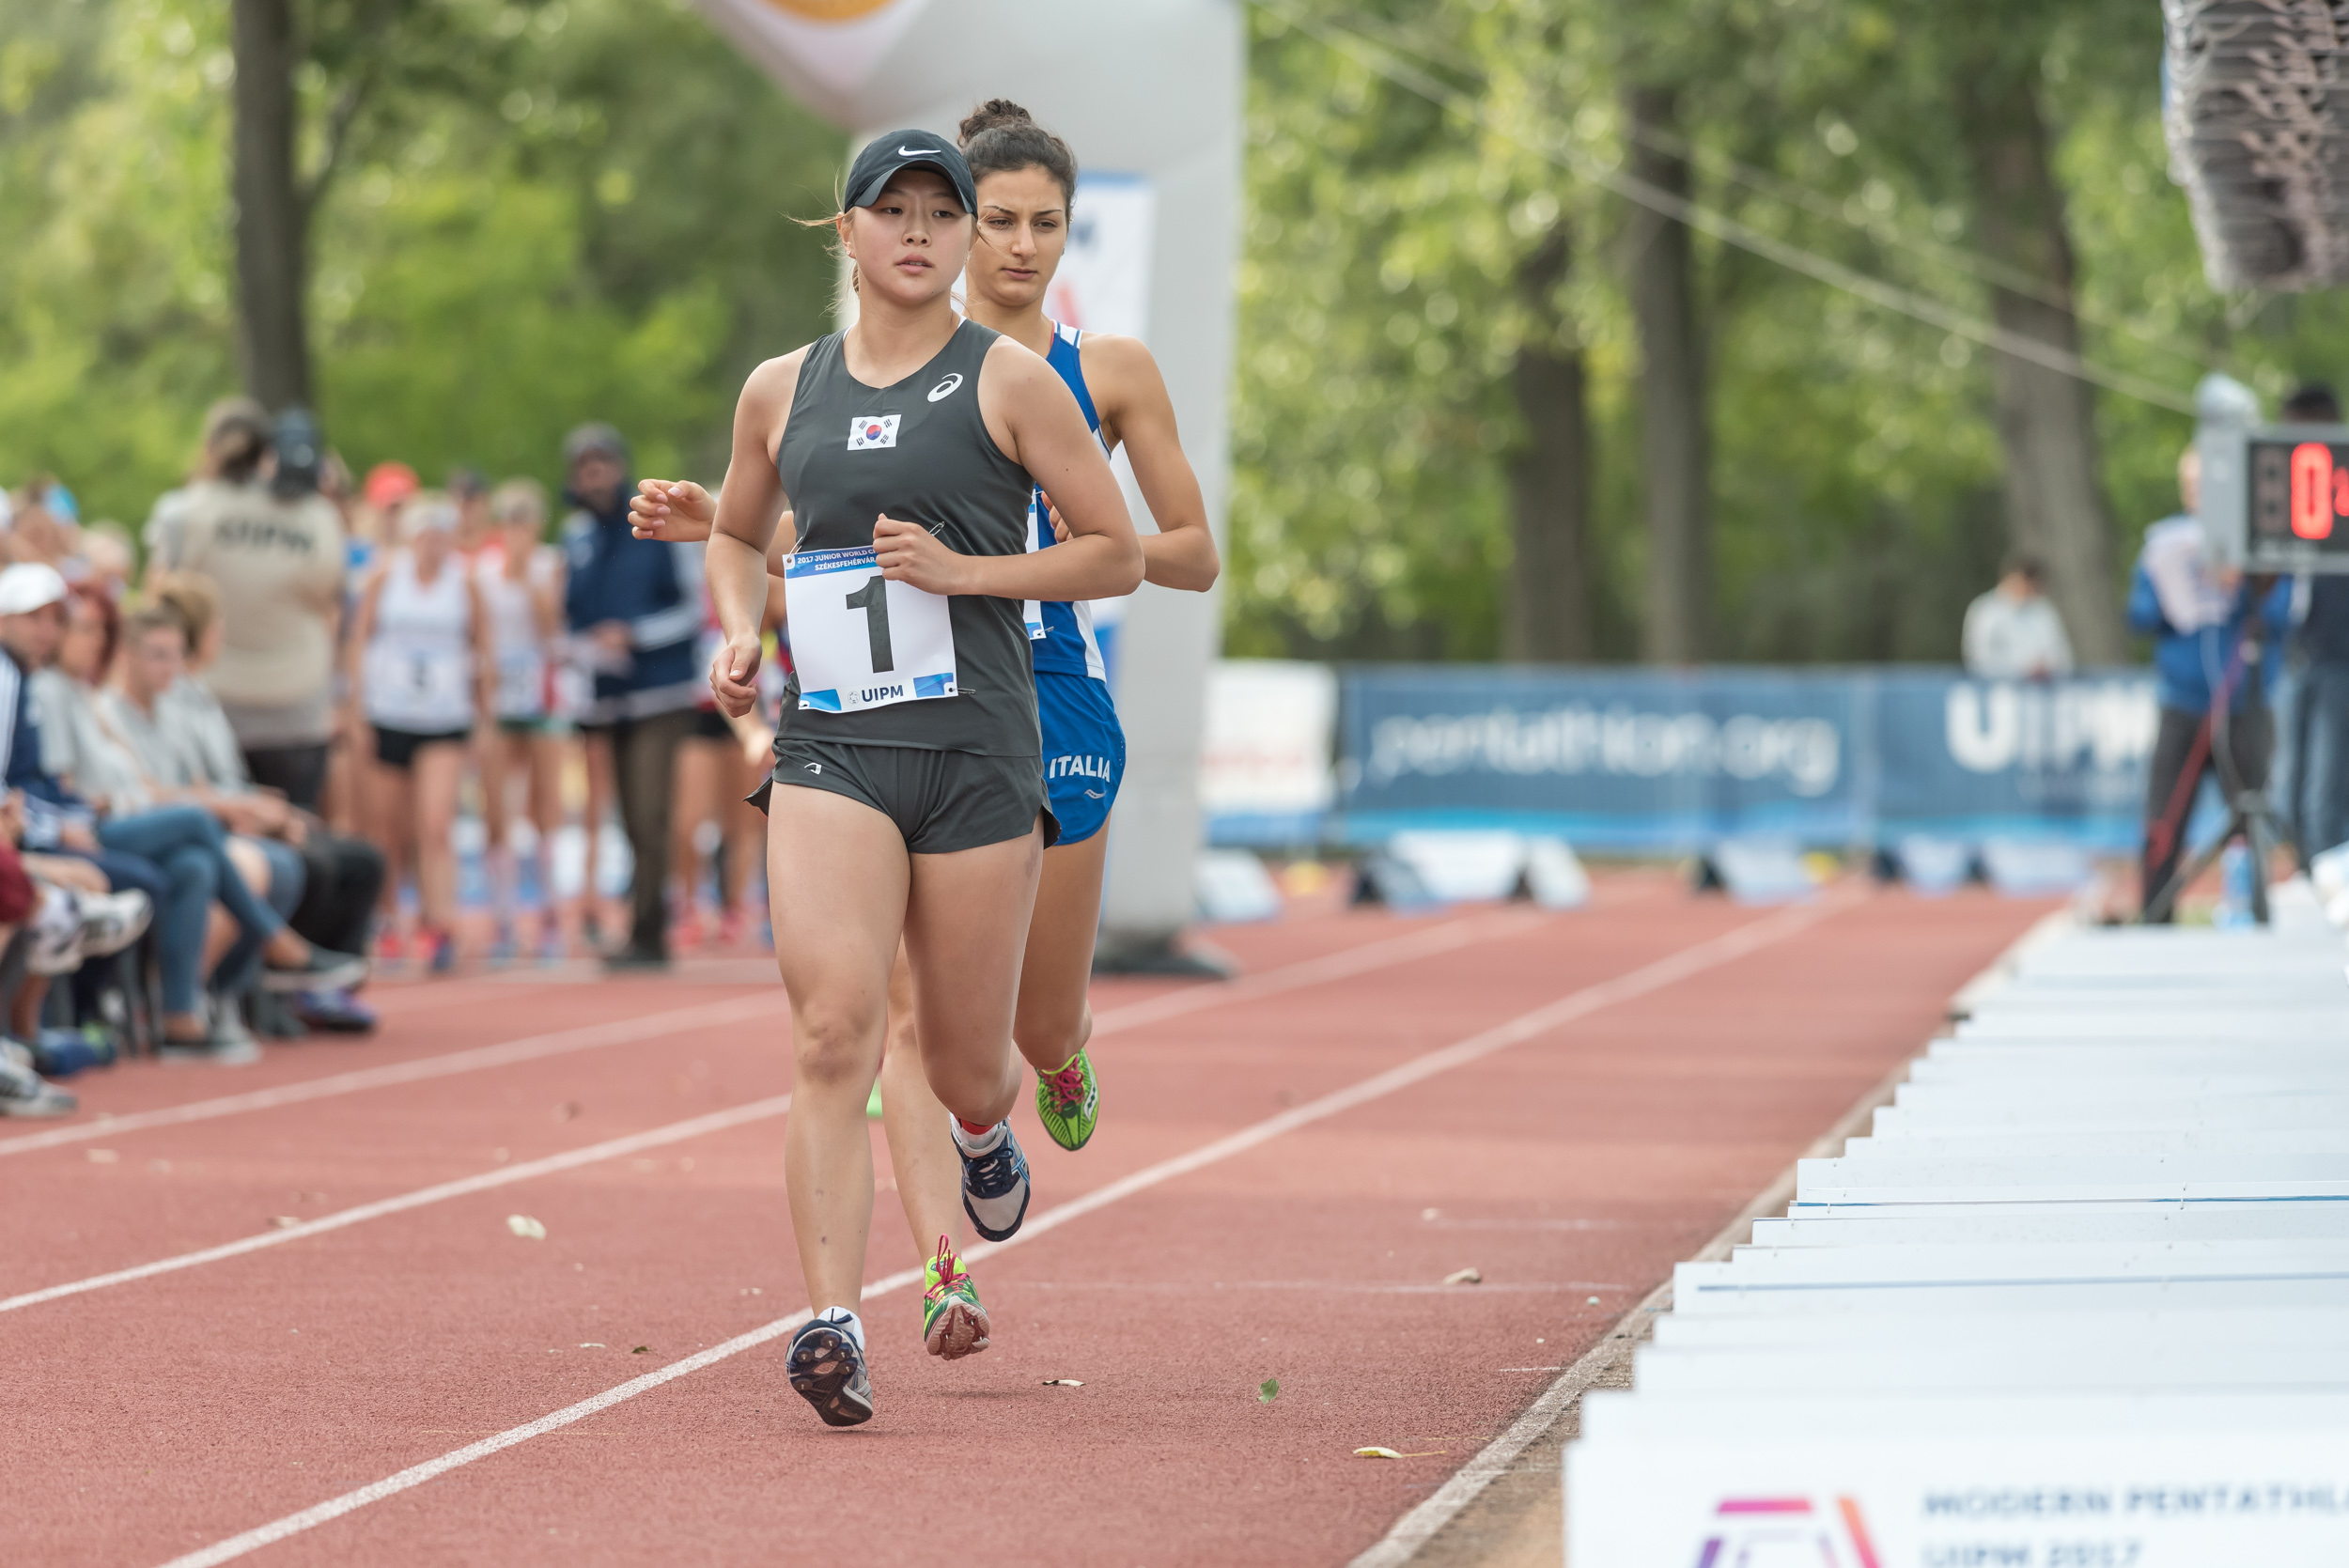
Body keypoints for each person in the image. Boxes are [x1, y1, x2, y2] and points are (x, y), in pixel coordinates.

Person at [640, 101, 1223, 1358]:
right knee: (851, 1023)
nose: (1008, 242)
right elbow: (826, 550)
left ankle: (1001, 1106)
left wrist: (976, 572)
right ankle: (874, 1301)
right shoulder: (789, 384)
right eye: (984, 215)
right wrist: (737, 601)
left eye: (1026, 222)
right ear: (846, 229)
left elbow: (1151, 551)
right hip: (842, 740)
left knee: (1004, 1039)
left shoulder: (1065, 372)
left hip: (1025, 705)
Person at [0, 566, 360, 1059]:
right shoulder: (40, 689)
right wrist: (70, 819)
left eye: (66, 622)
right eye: (71, 626)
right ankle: (273, 945)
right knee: (195, 826)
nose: (54, 633)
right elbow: (45, 786)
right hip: (80, 828)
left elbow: (79, 787)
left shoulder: (73, 693)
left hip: (91, 819)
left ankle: (181, 1015)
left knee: (196, 863)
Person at [143, 576, 384, 1032]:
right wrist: (252, 814)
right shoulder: (171, 700)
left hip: (226, 813)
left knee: (360, 859)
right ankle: (267, 981)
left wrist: (273, 810)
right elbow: (187, 785)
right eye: (218, 627)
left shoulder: (199, 693)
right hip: (214, 821)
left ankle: (318, 984)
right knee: (306, 865)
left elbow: (222, 778)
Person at [561, 424, 704, 970]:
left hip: (659, 692)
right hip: (607, 696)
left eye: (601, 464)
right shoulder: (576, 537)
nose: (593, 475)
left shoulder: (659, 524)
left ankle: (650, 933)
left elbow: (693, 611)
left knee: (649, 814)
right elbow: (572, 613)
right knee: (629, 819)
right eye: (583, 467)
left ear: (621, 467)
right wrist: (579, 643)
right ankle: (642, 929)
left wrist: (635, 635)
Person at [2131, 445, 2293, 920]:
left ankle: (2251, 909)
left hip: (2242, 702)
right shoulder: (2164, 545)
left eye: (2205, 486)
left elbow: (2283, 617)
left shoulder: (2260, 545)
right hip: (2181, 702)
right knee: (2164, 816)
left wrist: (2242, 584)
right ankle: (2155, 916)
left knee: (2249, 815)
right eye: (2189, 487)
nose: (2196, 496)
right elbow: (2138, 616)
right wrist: (2172, 587)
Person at [161, 408, 348, 811]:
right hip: (296, 704)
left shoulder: (191, 511)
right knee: (296, 827)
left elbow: (163, 593)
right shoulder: (320, 518)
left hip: (214, 697)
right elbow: (330, 597)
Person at [351, 492, 491, 973]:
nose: (434, 545)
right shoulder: (384, 578)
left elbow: (483, 649)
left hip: (444, 718)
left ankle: (440, 923)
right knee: (389, 827)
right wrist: (355, 712)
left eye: (442, 536)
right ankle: (389, 919)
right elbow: (358, 643)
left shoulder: (465, 584)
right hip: (388, 712)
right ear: (412, 537)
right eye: (426, 535)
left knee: (435, 824)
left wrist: (483, 718)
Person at [476, 479, 568, 961]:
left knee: (545, 807)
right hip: (500, 700)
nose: (517, 530)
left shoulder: (549, 564)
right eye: (508, 519)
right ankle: (503, 919)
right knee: (496, 808)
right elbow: (479, 634)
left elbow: (553, 625)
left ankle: (551, 918)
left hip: (543, 697)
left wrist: (528, 580)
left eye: (524, 520)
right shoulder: (484, 573)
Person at [2267, 383, 2349, 864]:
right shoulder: (2283, 493)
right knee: (2289, 792)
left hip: (2339, 657)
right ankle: (2306, 876)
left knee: (2327, 790)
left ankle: (2333, 879)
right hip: (2295, 655)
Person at [1961, 551, 2073, 679]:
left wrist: (2048, 667)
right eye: (2027, 586)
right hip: (2000, 692)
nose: (2030, 593)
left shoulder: (2043, 610)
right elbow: (1978, 660)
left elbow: (2063, 658)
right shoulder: (1984, 611)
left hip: (2042, 694)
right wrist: (2021, 670)